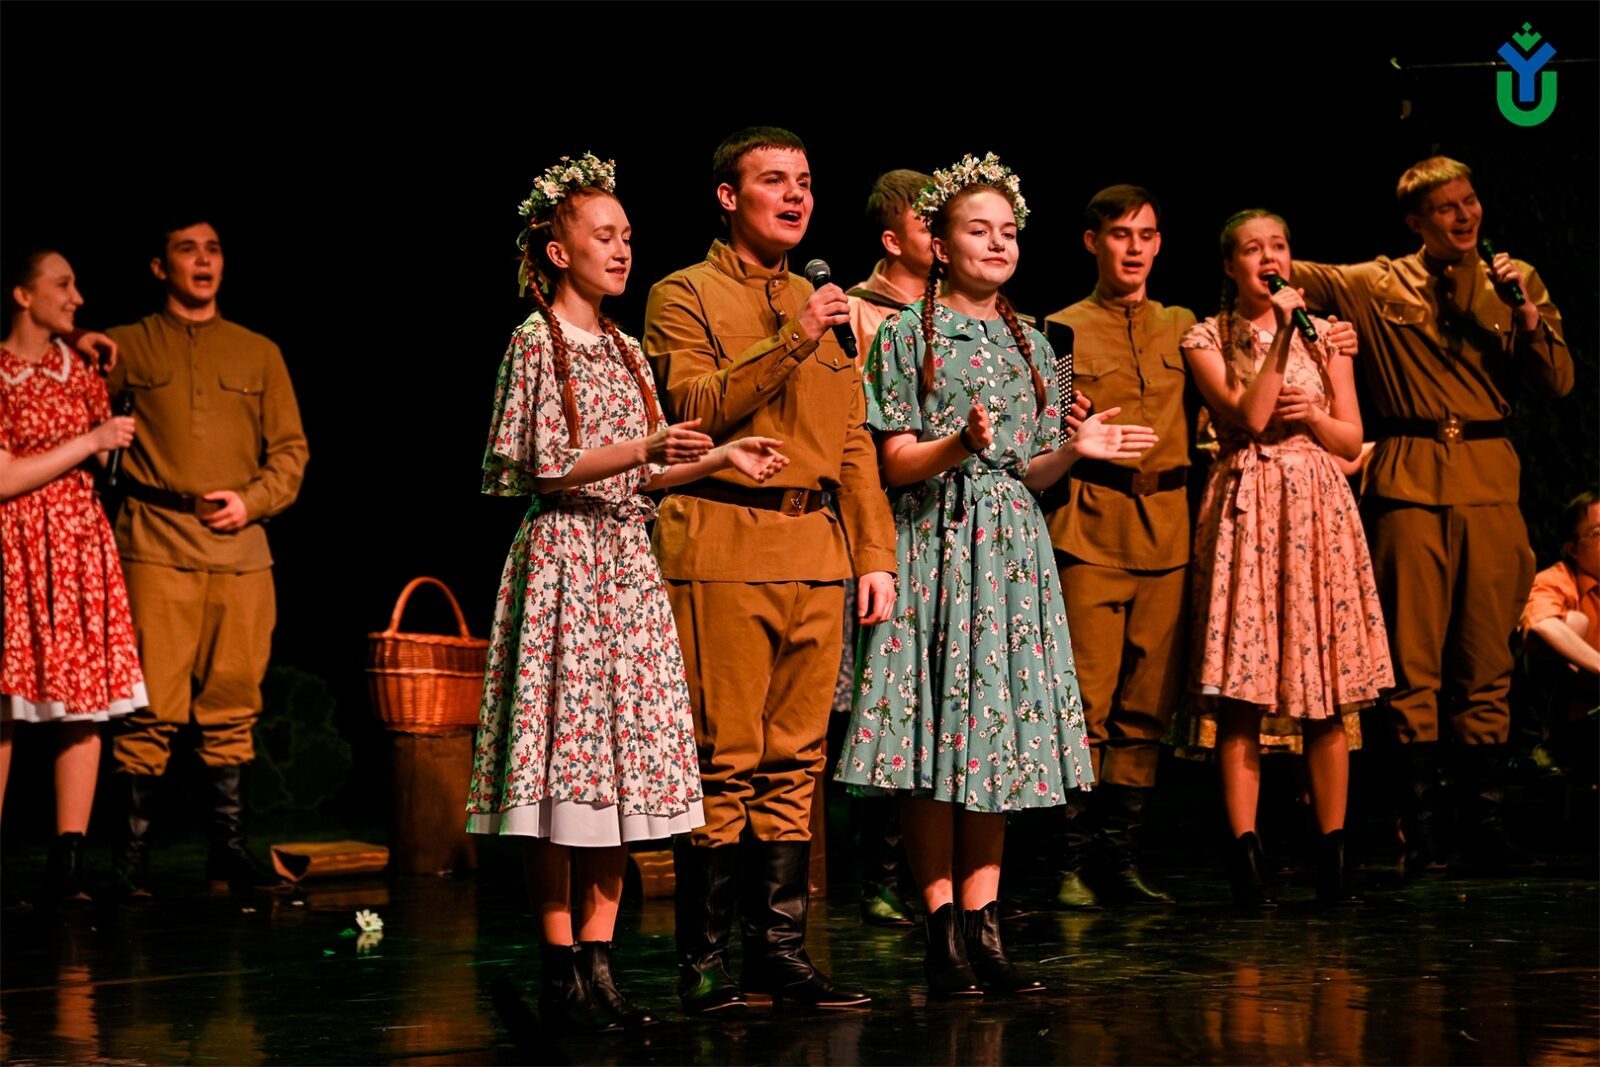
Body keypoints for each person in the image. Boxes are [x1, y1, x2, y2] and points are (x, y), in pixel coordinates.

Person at [467, 156, 792, 1032]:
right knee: (561, 776)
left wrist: (719, 457)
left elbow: (646, 471)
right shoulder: (535, 341)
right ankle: (559, 969)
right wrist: (647, 448)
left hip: (625, 567)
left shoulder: (624, 349)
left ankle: (601, 966)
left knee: (614, 774)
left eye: (627, 236)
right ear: (558, 249)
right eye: (603, 235)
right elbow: (543, 466)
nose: (621, 249)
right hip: (566, 562)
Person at [838, 154, 1157, 996]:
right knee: (932, 744)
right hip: (936, 547)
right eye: (977, 231)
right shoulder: (907, 335)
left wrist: (1075, 450)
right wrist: (960, 444)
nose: (997, 244)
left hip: (1013, 556)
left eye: (1007, 231)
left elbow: (1031, 472)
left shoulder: (1037, 344)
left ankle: (987, 927)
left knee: (993, 743)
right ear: (940, 245)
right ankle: (942, 928)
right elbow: (894, 461)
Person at [644, 127, 899, 1013]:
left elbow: (853, 439)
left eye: (805, 182)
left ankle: (779, 952)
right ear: (728, 196)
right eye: (774, 180)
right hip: (723, 544)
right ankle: (703, 959)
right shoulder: (684, 292)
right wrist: (795, 336)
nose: (795, 196)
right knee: (725, 757)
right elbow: (694, 405)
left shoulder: (824, 301)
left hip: (816, 553)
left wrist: (874, 555)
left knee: (796, 762)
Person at [1289, 157, 1573, 872]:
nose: (1464, 215)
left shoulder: (1516, 279)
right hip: (1409, 483)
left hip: (1489, 483)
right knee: (1412, 663)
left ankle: (1484, 822)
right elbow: (1282, 270)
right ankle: (1418, 828)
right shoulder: (1377, 283)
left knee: (1487, 661)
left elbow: (1560, 382)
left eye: (1470, 201)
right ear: (1417, 221)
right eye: (1446, 207)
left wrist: (1525, 315)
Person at [1181, 210, 1394, 907]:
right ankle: (1246, 862)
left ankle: (1332, 859)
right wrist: (1279, 339)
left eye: (1278, 246)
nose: (1268, 258)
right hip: (1248, 507)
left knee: (1326, 688)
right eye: (1253, 249)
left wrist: (1314, 415)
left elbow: (1351, 437)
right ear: (1230, 265)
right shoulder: (1206, 337)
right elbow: (1246, 414)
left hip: (1318, 508)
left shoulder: (1328, 335)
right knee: (1244, 691)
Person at [104, 215, 309, 895]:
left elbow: (291, 451)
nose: (203, 260)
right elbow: (79, 416)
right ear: (159, 266)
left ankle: (227, 848)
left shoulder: (258, 352)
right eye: (186, 249)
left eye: (213, 249)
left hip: (241, 551)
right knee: (148, 706)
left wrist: (252, 501)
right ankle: (130, 858)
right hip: (154, 544)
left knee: (233, 702)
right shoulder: (127, 344)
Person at [0, 249, 145, 905]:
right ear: (23, 294)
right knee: (5, 703)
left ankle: (69, 862)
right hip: (15, 544)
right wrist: (90, 441)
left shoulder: (82, 368)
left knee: (84, 702)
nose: (78, 295)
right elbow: (4, 476)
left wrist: (81, 340)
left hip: (80, 543)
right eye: (62, 284)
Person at [839, 168, 935, 928]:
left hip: (952, 523)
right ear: (891, 238)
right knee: (883, 699)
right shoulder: (859, 312)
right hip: (886, 518)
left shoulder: (970, 311)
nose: (942, 233)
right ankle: (875, 873)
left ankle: (940, 875)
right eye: (927, 221)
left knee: (941, 697)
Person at [1518, 490, 1600, 783]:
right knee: (1573, 623)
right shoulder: (1558, 579)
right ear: (1572, 549)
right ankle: (1539, 749)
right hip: (1572, 721)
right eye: (1598, 533)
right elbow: (1541, 623)